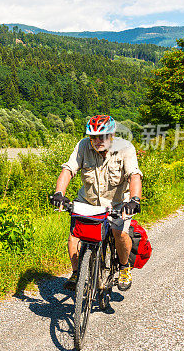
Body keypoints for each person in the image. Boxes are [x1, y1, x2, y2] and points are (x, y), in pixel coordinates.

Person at [50, 115, 142, 291]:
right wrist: (59, 193)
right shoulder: (83, 145)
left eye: (103, 136)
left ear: (112, 135)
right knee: (75, 235)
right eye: (93, 137)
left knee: (119, 233)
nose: (97, 141)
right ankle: (77, 272)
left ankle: (124, 268)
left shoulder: (125, 148)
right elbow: (68, 170)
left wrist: (134, 200)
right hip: (89, 201)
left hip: (117, 204)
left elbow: (134, 176)